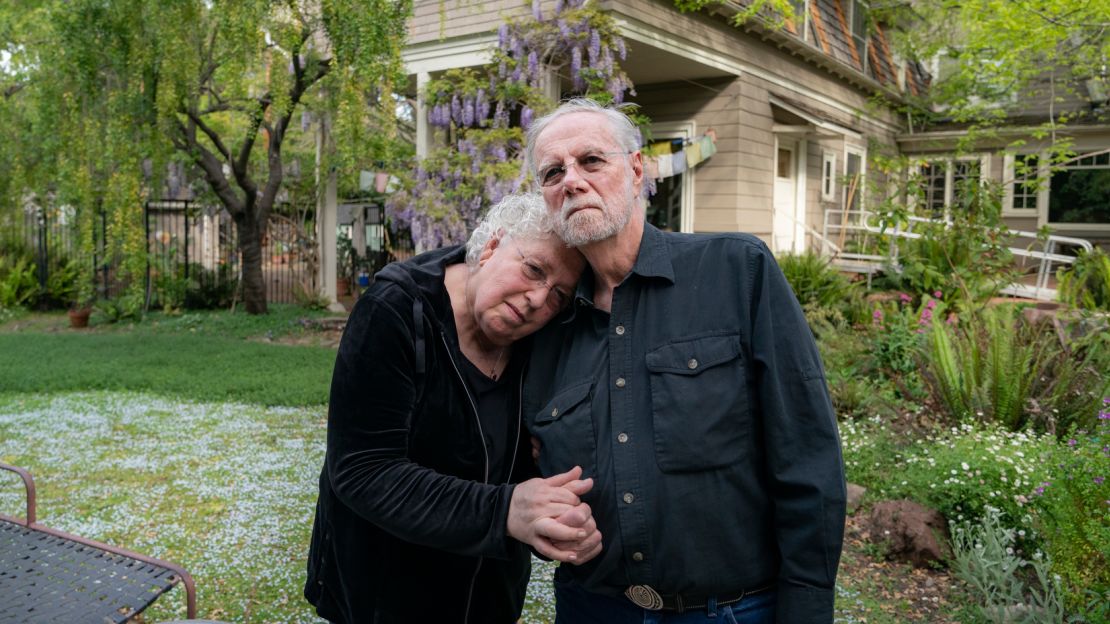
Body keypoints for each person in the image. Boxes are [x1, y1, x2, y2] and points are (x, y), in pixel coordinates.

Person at [521, 98, 847, 623]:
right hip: (594, 608)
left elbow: (806, 452)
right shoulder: (542, 326)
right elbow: (525, 476)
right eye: (553, 172)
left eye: (591, 161)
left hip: (733, 611)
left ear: (635, 170)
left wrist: (807, 607)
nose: (572, 181)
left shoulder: (736, 270)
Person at [305, 193, 602, 624]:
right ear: (493, 245)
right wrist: (505, 511)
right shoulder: (396, 309)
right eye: (534, 270)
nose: (539, 299)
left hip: (487, 600)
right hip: (385, 596)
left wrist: (554, 519)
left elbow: (524, 463)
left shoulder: (538, 341)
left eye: (558, 294)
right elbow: (362, 470)